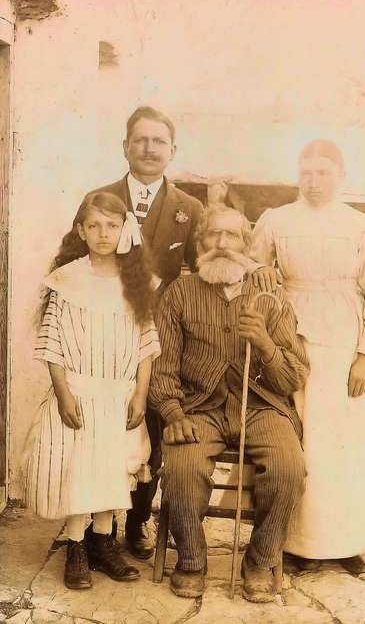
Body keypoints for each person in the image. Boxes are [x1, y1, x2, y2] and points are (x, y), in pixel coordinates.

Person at [250, 139, 365, 573]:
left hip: (344, 342)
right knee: (304, 440)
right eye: (306, 173)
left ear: (340, 175)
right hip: (291, 340)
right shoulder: (276, 220)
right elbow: (253, 272)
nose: (314, 182)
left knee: (347, 442)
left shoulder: (361, 227)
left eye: (323, 173)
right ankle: (300, 542)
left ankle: (350, 542)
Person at [149, 205, 309, 602]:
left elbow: (295, 375)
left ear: (247, 243)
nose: (222, 244)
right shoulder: (180, 293)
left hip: (262, 405)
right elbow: (162, 366)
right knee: (182, 468)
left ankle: (260, 558)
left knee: (289, 468)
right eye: (212, 236)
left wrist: (266, 345)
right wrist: (172, 412)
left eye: (231, 236)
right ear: (199, 243)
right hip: (198, 407)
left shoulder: (270, 296)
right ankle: (191, 559)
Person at [24, 192, 160, 589]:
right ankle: (77, 546)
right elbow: (52, 344)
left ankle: (104, 541)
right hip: (80, 394)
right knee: (80, 470)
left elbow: (146, 345)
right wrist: (64, 394)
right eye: (95, 225)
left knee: (112, 468)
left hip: (119, 394)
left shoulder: (137, 283)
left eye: (112, 226)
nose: (103, 233)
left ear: (124, 231)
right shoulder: (67, 280)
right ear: (81, 230)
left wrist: (139, 393)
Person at [87, 106, 204, 559]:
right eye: (141, 140)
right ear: (125, 146)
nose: (150, 148)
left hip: (162, 340)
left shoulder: (189, 209)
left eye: (159, 141)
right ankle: (97, 528)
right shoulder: (99, 199)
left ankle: (135, 522)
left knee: (150, 431)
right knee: (101, 427)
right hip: (105, 333)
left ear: (172, 151)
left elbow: (200, 273)